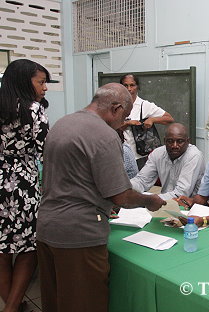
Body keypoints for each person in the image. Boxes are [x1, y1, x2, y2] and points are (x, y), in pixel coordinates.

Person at [36, 83, 166, 312]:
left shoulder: (62, 123)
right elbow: (121, 196)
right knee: (85, 303)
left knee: (55, 300)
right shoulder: (104, 135)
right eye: (124, 116)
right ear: (115, 108)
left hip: (47, 227)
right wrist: (149, 200)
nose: (124, 123)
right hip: (79, 234)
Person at [0, 59, 50, 312]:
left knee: (2, 248)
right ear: (23, 81)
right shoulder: (33, 109)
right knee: (30, 246)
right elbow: (46, 150)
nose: (45, 88)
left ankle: (13, 304)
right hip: (21, 184)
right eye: (41, 82)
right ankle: (12, 308)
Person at [131, 123, 205, 200]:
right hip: (164, 203)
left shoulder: (194, 155)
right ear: (164, 141)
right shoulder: (158, 153)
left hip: (189, 205)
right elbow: (142, 180)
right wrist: (126, 188)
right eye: (170, 141)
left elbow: (181, 193)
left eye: (180, 141)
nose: (175, 146)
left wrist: (149, 200)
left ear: (188, 141)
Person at [120, 74, 174, 169]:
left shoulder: (143, 105)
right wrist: (128, 123)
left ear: (137, 87)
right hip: (119, 154)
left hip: (139, 156)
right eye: (125, 85)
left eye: (132, 85)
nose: (129, 89)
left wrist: (152, 119)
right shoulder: (116, 104)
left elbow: (169, 118)